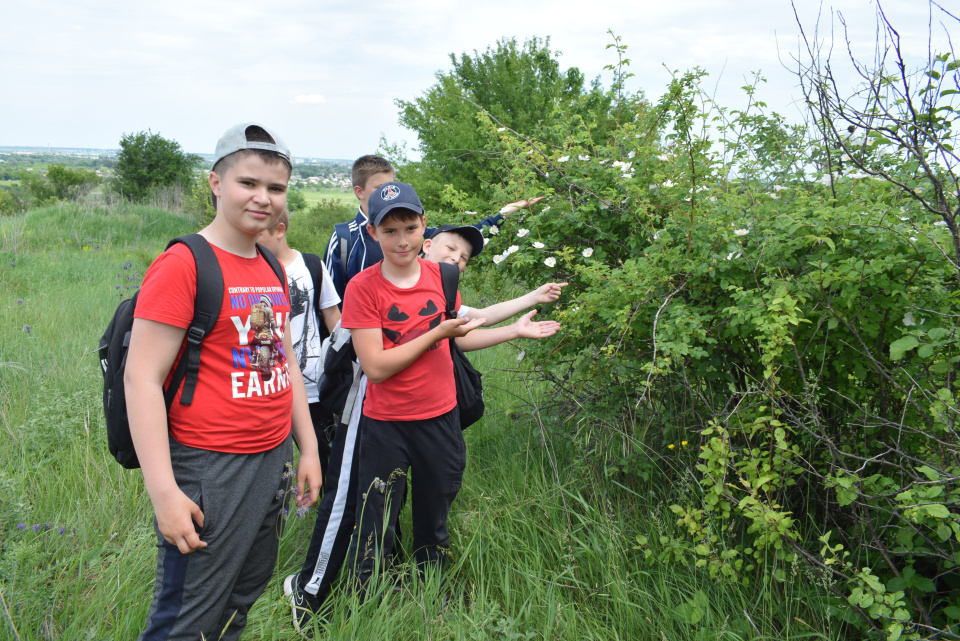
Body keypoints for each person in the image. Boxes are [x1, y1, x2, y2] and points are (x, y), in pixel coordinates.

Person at [283, 182, 561, 633]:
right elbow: (376, 366)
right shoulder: (363, 288)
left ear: (424, 227)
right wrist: (436, 333)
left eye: (410, 228)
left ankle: (431, 592)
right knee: (376, 521)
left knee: (434, 517)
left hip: (440, 419)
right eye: (390, 230)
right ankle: (364, 604)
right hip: (385, 425)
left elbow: (462, 335)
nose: (402, 240)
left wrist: (517, 326)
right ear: (373, 233)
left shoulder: (442, 278)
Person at [125, 122, 322, 641]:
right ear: (216, 182)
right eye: (248, 183)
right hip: (210, 468)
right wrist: (164, 493)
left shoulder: (270, 266)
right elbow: (141, 378)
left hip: (272, 460)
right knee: (186, 619)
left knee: (239, 601)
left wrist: (307, 448)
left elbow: (282, 363)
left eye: (276, 188)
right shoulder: (185, 263)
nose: (263, 198)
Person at [323, 154, 539, 302]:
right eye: (380, 188)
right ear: (359, 191)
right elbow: (330, 303)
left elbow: (458, 238)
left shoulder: (417, 234)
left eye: (392, 186)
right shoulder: (345, 239)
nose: (402, 241)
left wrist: (502, 214)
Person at [256, 209, 341, 480]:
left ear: (279, 230)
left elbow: (333, 317)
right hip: (268, 386)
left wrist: (346, 365)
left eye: (259, 233)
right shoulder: (251, 271)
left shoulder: (311, 266)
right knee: (269, 460)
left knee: (326, 455)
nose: (252, 239)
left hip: (313, 386)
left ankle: (325, 500)